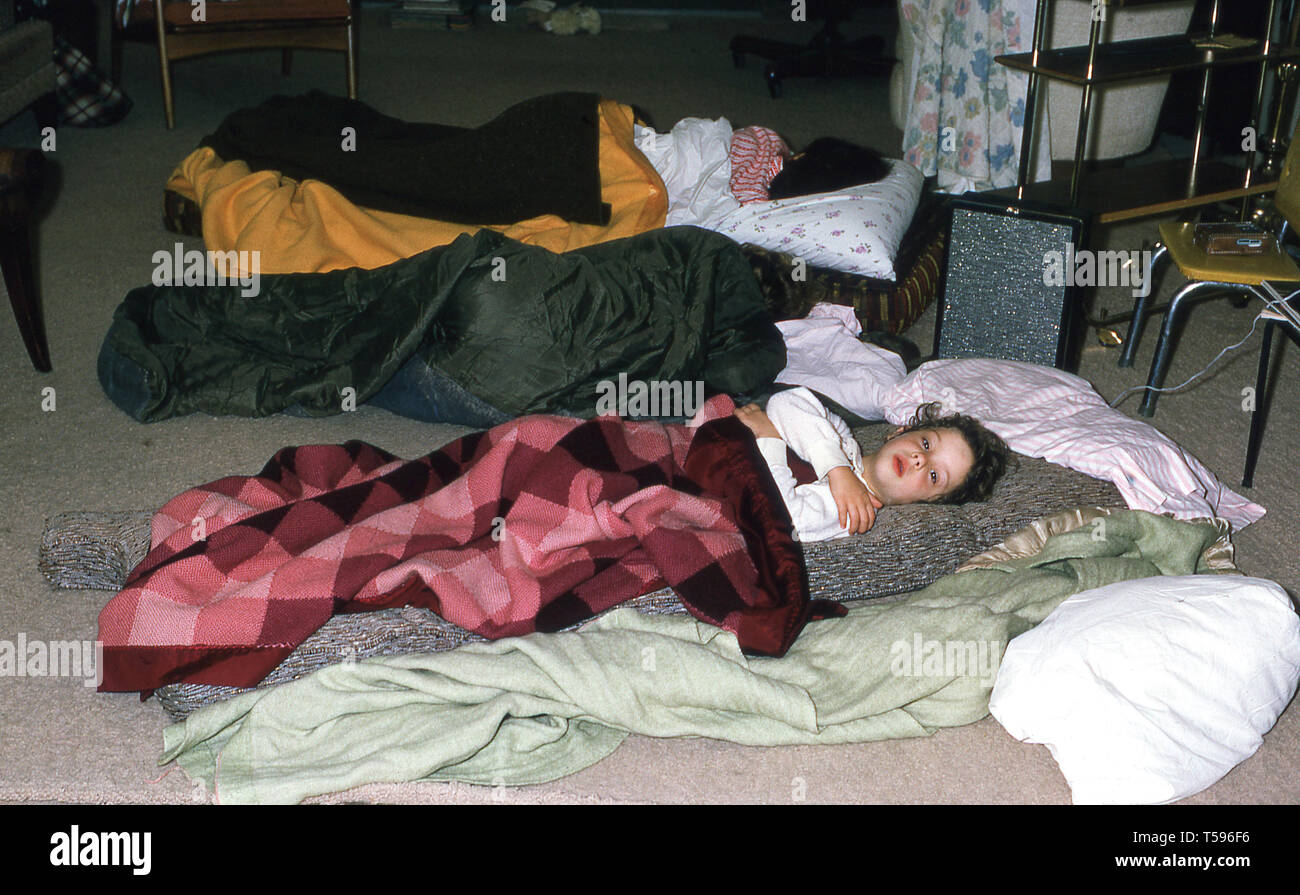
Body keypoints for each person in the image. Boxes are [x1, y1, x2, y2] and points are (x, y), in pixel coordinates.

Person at [734, 387, 1009, 542]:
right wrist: (837, 469)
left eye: (934, 475)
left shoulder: (853, 511)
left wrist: (768, 438)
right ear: (899, 432)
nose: (920, 460)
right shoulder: (843, 440)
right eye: (926, 444)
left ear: (927, 502)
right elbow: (787, 402)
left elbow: (779, 519)